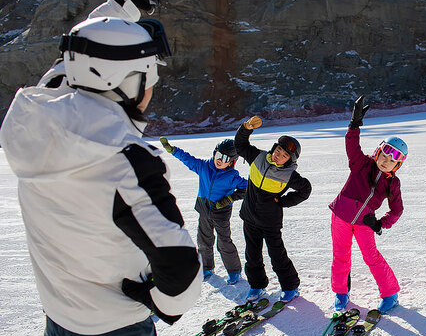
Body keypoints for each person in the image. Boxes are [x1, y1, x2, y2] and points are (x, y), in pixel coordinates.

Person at [0, 0, 202, 336]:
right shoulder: (127, 162)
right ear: (127, 82)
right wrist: (157, 301)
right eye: (148, 77)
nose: (151, 89)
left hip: (60, 329)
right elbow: (182, 271)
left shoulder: (36, 119)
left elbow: (80, 55)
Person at [328, 96, 406, 314]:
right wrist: (354, 125)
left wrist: (381, 224)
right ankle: (341, 293)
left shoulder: (393, 183)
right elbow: (352, 146)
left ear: (397, 164)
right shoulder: (361, 164)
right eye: (384, 155)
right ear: (378, 152)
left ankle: (390, 293)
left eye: (392, 160)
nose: (385, 161)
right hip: (341, 217)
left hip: (365, 222)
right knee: (341, 255)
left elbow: (397, 209)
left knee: (371, 257)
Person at [234, 115, 312, 303]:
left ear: (289, 159)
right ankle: (257, 285)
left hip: (270, 222)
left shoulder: (290, 174)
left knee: (277, 255)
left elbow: (305, 189)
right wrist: (246, 128)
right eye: (278, 150)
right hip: (249, 217)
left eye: (284, 155)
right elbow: (240, 145)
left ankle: (290, 287)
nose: (279, 155)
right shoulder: (258, 157)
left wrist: (283, 202)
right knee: (252, 255)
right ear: (273, 148)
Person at [159, 137, 247, 283]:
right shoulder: (203, 166)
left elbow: (248, 187)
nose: (219, 160)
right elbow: (188, 159)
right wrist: (173, 150)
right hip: (204, 209)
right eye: (218, 155)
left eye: (225, 158)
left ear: (232, 161)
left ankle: (233, 271)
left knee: (224, 242)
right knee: (204, 240)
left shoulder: (232, 176)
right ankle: (207, 267)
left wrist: (229, 198)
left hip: (221, 213)